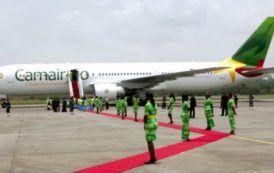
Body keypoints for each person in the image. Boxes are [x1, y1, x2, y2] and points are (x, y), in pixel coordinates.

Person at [143, 93, 158, 164]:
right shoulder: (154, 104)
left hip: (149, 123)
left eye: (145, 97)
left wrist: (144, 124)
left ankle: (152, 158)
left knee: (149, 141)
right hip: (154, 121)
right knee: (151, 140)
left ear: (147, 97)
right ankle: (153, 157)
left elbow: (145, 116)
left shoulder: (147, 105)